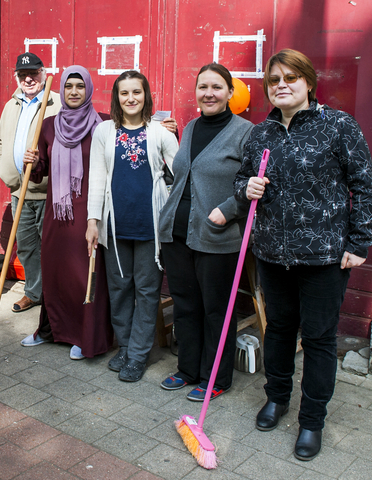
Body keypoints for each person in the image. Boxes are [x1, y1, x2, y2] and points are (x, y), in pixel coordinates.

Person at [236, 49, 372, 461]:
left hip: (323, 257)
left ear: (308, 82)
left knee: (317, 339)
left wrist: (358, 243)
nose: (281, 84)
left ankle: (312, 420)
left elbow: (364, 186)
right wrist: (245, 190)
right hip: (272, 254)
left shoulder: (337, 127)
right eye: (274, 79)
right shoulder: (260, 134)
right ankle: (277, 398)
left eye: (290, 77)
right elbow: (239, 183)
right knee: (279, 330)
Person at [158, 64, 255, 400]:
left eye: (216, 87)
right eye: (203, 87)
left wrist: (227, 212)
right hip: (177, 233)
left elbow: (255, 185)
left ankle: (216, 377)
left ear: (230, 92)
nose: (209, 94)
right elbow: (184, 176)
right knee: (185, 305)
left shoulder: (246, 132)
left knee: (216, 309)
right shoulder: (192, 126)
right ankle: (187, 369)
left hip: (217, 236)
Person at [86, 70, 179, 382]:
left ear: (146, 95)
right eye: (124, 93)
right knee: (119, 288)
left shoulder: (160, 133)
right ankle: (125, 345)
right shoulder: (103, 132)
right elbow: (97, 177)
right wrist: (92, 220)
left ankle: (139, 354)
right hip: (115, 226)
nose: (130, 98)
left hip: (149, 226)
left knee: (147, 289)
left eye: (136, 92)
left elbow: (179, 173)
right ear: (116, 97)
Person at [19, 66, 114, 360]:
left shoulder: (104, 123)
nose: (74, 92)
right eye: (69, 86)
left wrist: (165, 128)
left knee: (84, 274)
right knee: (55, 272)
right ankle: (50, 331)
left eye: (80, 86)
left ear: (89, 89)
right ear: (61, 90)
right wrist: (33, 161)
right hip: (57, 215)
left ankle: (84, 336)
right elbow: (41, 171)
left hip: (89, 213)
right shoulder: (48, 126)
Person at [0, 52, 60, 313]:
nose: (28, 78)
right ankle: (34, 293)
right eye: (23, 75)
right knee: (27, 247)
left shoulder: (56, 102)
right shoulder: (11, 104)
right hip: (17, 189)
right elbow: (1, 142)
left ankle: (56, 297)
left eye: (33, 73)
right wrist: (4, 168)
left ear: (43, 73)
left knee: (52, 248)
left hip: (47, 191)